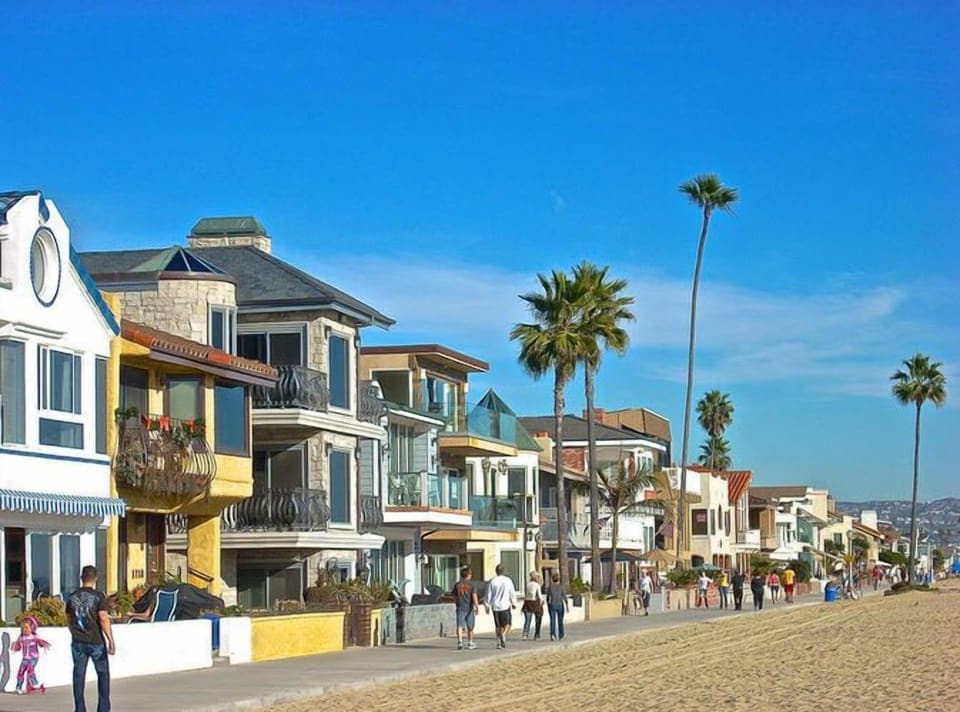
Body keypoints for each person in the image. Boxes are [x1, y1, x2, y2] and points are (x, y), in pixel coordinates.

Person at [66, 565, 115, 712]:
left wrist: (74, 632)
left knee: (79, 676)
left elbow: (68, 618)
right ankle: (103, 708)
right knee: (103, 675)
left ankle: (79, 708)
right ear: (95, 578)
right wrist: (111, 640)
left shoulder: (72, 596)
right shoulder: (99, 596)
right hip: (96, 642)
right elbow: (103, 618)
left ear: (81, 578)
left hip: (78, 641)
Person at [12, 614, 51, 694]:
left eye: (26, 628)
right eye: (23, 628)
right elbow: (18, 646)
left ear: (32, 628)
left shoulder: (34, 636)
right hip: (25, 658)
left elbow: (40, 642)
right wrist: (15, 646)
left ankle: (34, 682)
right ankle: (18, 687)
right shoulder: (22, 637)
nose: (25, 630)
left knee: (30, 668)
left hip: (33, 657)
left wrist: (43, 643)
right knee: (21, 671)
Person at [484, 564, 517, 650]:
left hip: (495, 606)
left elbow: (488, 595)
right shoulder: (508, 580)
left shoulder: (492, 581)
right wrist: (513, 603)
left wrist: (487, 605)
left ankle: (499, 641)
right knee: (508, 624)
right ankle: (503, 635)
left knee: (498, 625)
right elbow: (512, 592)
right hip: (505, 605)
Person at [451, 565, 479, 650]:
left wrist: (457, 603)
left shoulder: (457, 585)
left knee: (459, 625)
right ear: (468, 575)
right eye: (470, 574)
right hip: (469, 608)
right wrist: (477, 606)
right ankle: (470, 642)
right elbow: (474, 596)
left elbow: (454, 597)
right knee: (470, 626)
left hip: (460, 607)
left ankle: (460, 642)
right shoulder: (471, 585)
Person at [545, 571, 569, 640]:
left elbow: (548, 597)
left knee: (552, 620)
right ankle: (561, 635)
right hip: (560, 604)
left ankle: (553, 634)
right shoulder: (561, 586)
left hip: (552, 604)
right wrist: (567, 606)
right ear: (559, 579)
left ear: (552, 579)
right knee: (560, 620)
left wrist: (548, 604)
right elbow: (564, 596)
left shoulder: (550, 587)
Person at [521, 571, 544, 640]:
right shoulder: (537, 585)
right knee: (538, 618)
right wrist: (542, 602)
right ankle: (537, 634)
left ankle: (525, 633)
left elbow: (526, 594)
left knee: (527, 619)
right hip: (535, 602)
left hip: (527, 602)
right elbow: (539, 595)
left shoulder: (528, 584)